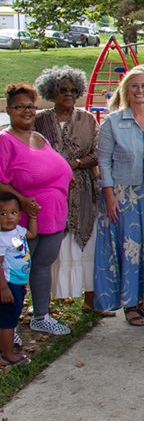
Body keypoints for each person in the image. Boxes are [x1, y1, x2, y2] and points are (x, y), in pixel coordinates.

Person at [93, 67, 144, 324]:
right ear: (126, 90)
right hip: (123, 192)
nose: (140, 90)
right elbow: (102, 161)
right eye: (134, 86)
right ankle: (130, 304)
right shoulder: (113, 122)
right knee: (131, 248)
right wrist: (108, 195)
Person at [0, 83, 72, 335]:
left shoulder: (38, 137)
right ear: (8, 110)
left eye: (30, 106)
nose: (26, 111)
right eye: (19, 106)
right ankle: (8, 325)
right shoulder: (4, 141)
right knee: (15, 273)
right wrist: (22, 200)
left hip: (52, 217)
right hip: (22, 221)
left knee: (42, 267)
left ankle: (41, 316)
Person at [34, 66, 105, 314]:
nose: (68, 94)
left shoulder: (87, 119)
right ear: (51, 92)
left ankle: (90, 301)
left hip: (83, 191)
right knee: (51, 247)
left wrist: (74, 164)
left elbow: (98, 153)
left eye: (73, 90)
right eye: (62, 90)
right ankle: (48, 304)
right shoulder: (39, 120)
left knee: (86, 244)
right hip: (49, 192)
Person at [0, 192, 36, 366]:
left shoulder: (18, 231)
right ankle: (7, 354)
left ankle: (6, 349)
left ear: (19, 215)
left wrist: (33, 216)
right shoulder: (1, 238)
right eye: (3, 213)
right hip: (9, 285)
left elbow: (32, 234)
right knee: (7, 321)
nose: (9, 217)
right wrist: (3, 288)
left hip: (19, 284)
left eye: (13, 212)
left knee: (11, 318)